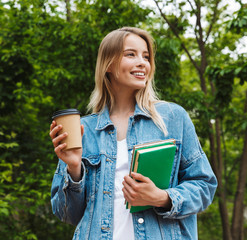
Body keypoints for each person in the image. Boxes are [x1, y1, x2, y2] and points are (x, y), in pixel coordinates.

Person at [49, 27, 217, 240]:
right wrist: (73, 168)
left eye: (146, 57)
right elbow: (66, 213)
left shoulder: (172, 117)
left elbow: (205, 185)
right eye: (131, 54)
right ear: (108, 64)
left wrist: (162, 197)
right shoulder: (85, 130)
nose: (142, 63)